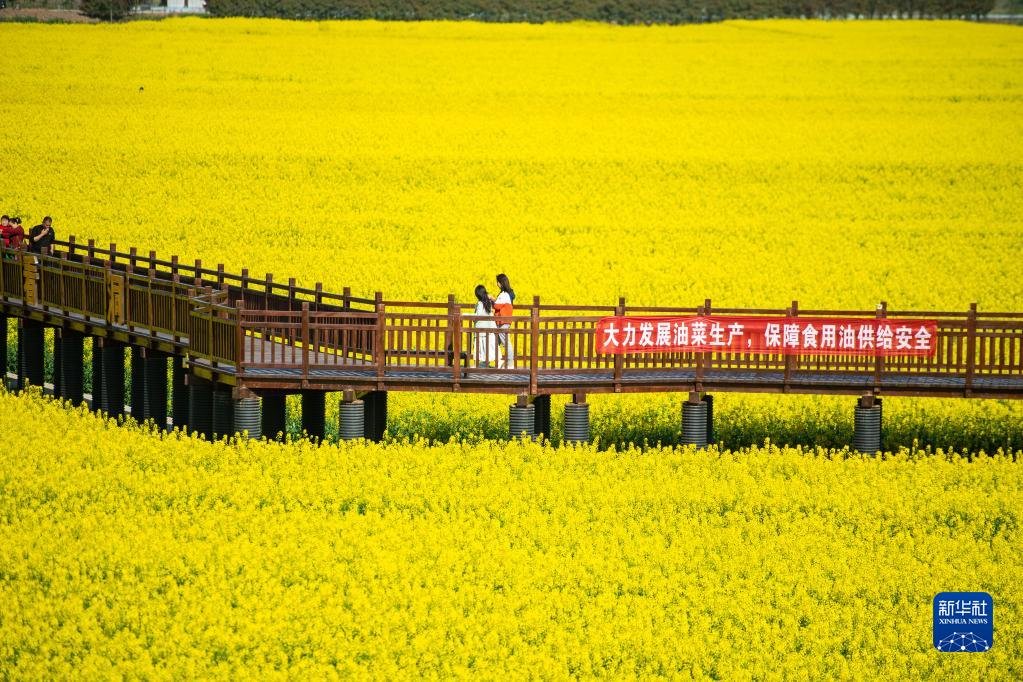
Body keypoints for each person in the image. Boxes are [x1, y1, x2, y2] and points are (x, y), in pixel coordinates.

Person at [493, 273, 515, 368]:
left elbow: (496, 305)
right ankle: (499, 362)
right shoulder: (506, 294)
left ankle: (510, 364)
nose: (497, 284)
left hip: (503, 322)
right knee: (495, 342)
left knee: (506, 343)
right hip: (503, 321)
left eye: (497, 282)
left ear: (500, 283)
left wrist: (490, 299)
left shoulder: (504, 294)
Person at [473, 284, 498, 368]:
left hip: (482, 329)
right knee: (490, 345)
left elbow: (478, 315)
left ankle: (484, 362)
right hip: (489, 329)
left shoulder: (480, 303)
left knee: (483, 345)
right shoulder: (488, 302)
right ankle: (487, 362)